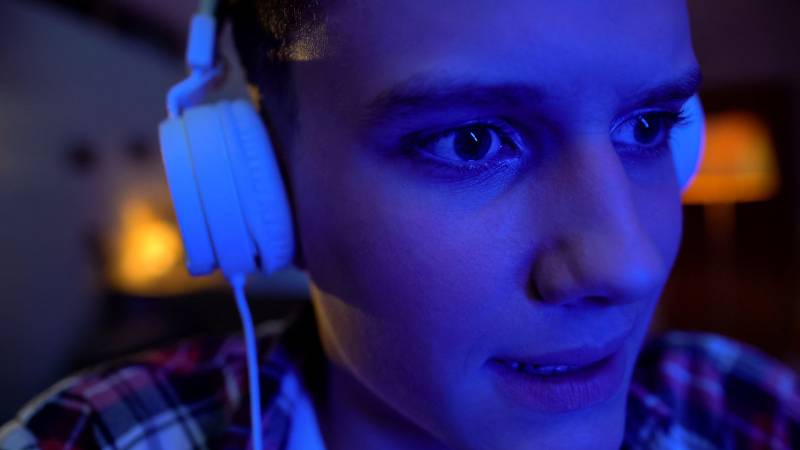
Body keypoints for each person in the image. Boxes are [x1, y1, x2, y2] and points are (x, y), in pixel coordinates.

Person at [1, 0, 799, 449]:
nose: (628, 262)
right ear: (265, 185)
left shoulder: (749, 409)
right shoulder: (90, 438)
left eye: (649, 127)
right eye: (472, 141)